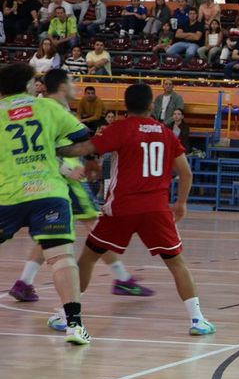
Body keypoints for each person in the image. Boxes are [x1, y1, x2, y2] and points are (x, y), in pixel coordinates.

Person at [68, 81, 214, 336]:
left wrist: (53, 150)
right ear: (151, 105)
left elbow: (88, 148)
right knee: (177, 263)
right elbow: (186, 173)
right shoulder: (166, 132)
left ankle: (66, 315)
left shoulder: (120, 128)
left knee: (88, 257)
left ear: (126, 105)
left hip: (121, 208)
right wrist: (180, 203)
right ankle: (198, 320)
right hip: (156, 210)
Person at [0, 61, 97, 344]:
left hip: (8, 194)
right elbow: (83, 137)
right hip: (49, 193)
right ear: (29, 84)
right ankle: (75, 326)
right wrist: (52, 149)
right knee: (61, 258)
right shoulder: (48, 108)